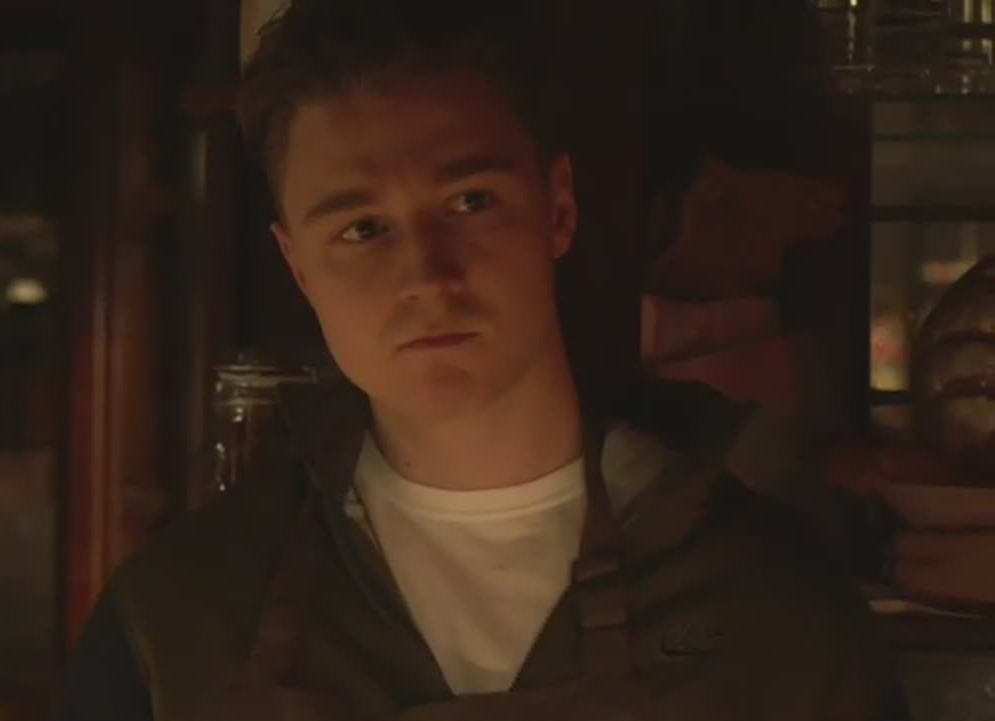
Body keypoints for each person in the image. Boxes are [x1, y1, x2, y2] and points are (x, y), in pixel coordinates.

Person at [56, 1, 908, 718]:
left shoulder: (771, 609)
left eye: (470, 202)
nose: (428, 277)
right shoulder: (184, 618)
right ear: (298, 266)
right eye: (362, 228)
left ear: (558, 208)